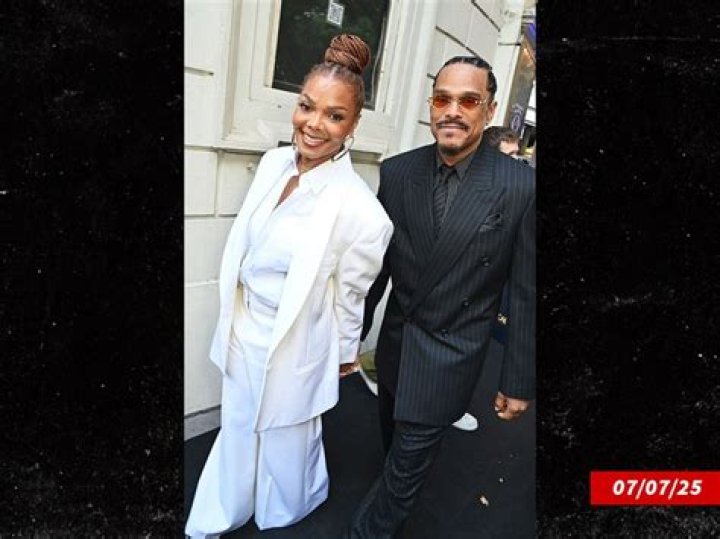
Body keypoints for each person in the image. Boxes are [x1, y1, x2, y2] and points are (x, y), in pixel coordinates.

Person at [185, 34, 393, 538]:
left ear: (353, 125)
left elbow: (351, 296)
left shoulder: (363, 213)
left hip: (297, 338)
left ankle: (288, 504)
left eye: (334, 115)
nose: (314, 124)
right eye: (306, 106)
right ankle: (227, 505)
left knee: (288, 435)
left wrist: (344, 354)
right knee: (239, 421)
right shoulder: (274, 163)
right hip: (244, 326)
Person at [346, 55, 535, 538]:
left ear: (489, 110)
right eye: (442, 99)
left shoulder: (521, 186)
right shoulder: (398, 172)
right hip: (395, 346)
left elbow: (525, 290)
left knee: (401, 477)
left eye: (468, 100)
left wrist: (517, 380)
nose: (452, 110)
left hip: (451, 356)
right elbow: (378, 269)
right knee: (393, 451)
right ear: (431, 105)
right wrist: (352, 338)